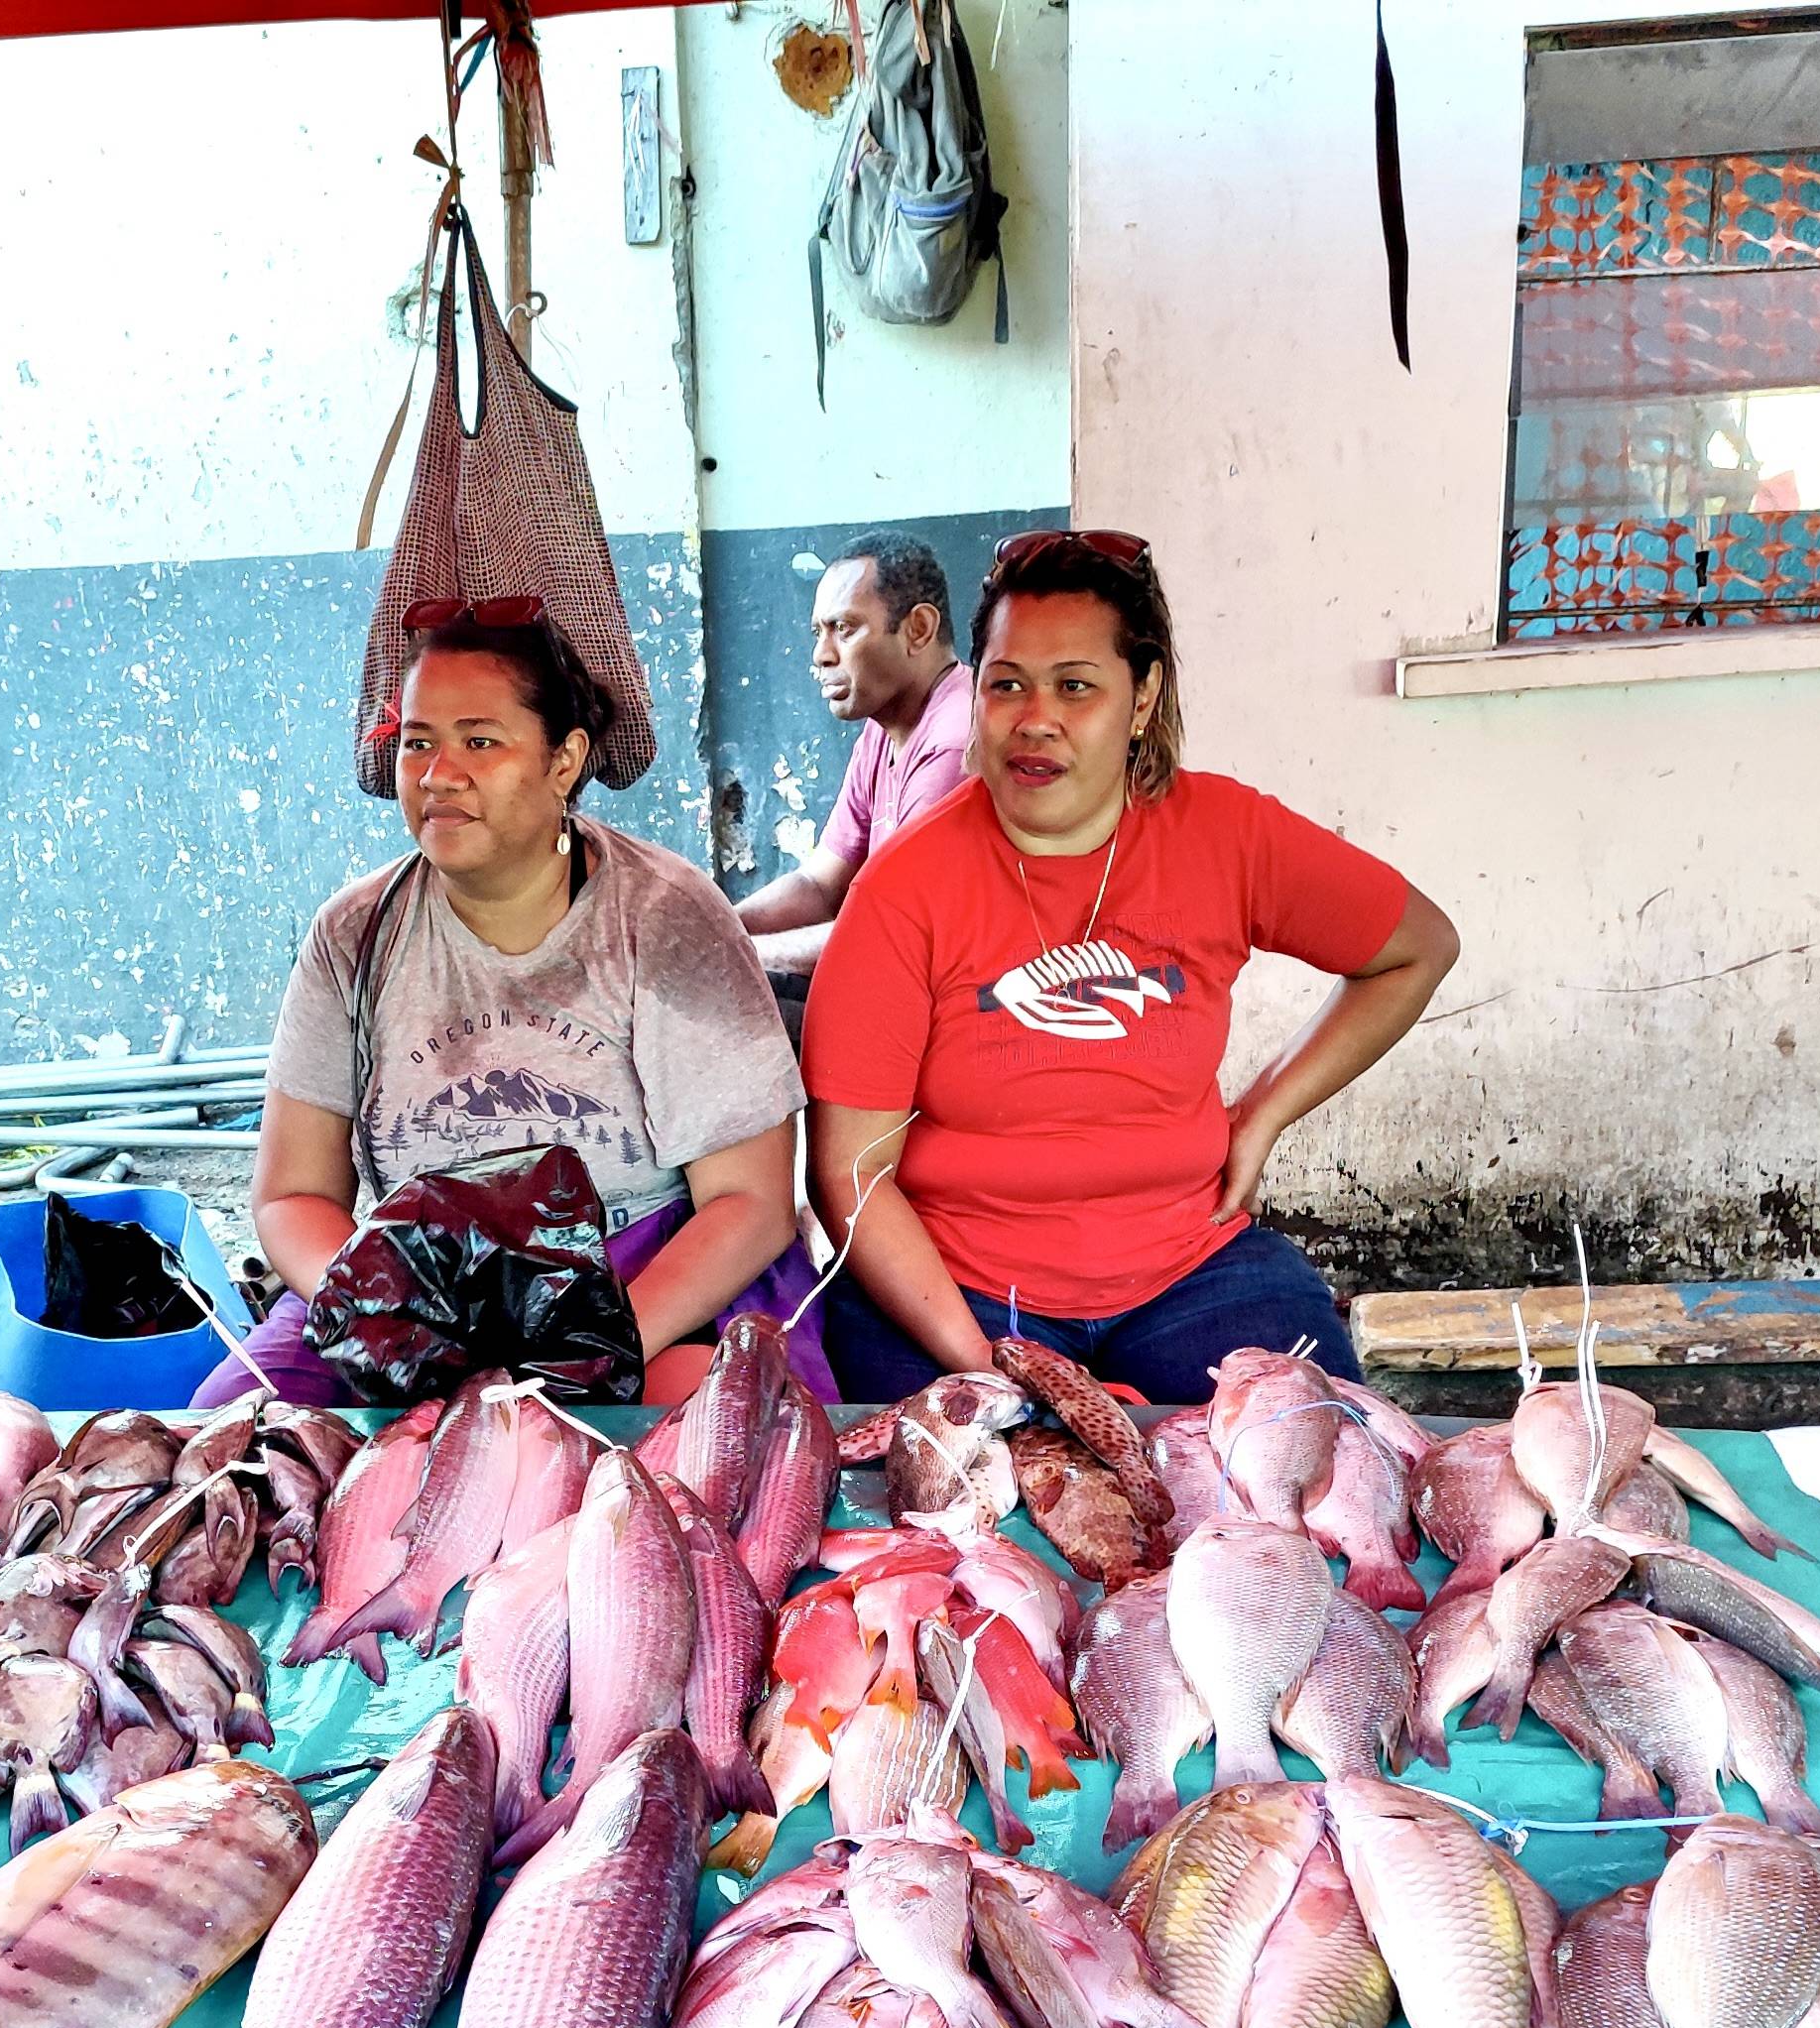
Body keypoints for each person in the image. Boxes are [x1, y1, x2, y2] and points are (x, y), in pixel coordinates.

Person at [802, 530, 1460, 1405]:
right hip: (953, 1292)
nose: (1036, 718)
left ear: (1141, 697)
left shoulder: (1226, 837)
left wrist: (1262, 1112)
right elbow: (852, 1170)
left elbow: (1417, 947)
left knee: (1311, 1481)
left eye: (1075, 685)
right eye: (1007, 686)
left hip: (1193, 1275)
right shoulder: (905, 885)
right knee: (954, 1517)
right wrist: (994, 1368)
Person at [199, 601, 808, 1409]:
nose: (436, 774)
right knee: (226, 1439)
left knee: (687, 1433)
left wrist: (584, 1348)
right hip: (416, 1284)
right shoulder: (353, 933)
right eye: (418, 741)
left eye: (479, 741)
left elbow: (751, 1204)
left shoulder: (665, 917)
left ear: (565, 761)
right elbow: (289, 1196)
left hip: (633, 1271)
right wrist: (384, 1310)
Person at [734, 531, 976, 1037]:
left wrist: (733, 955)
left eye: (843, 628)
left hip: (957, 1018)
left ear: (918, 629)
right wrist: (720, 926)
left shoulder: (955, 742)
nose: (821, 655)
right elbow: (820, 885)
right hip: (898, 981)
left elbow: (893, 941)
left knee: (720, 1008)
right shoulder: (885, 728)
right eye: (817, 632)